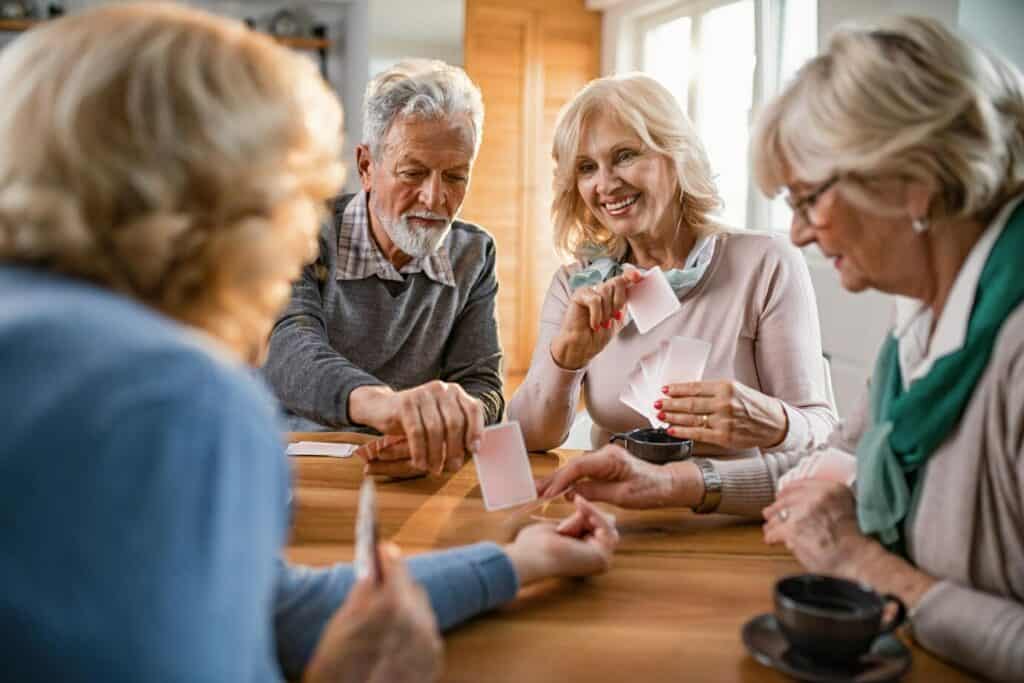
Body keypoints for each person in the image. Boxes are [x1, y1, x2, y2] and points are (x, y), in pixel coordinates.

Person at [0, 6, 618, 682]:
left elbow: (269, 605)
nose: (297, 233)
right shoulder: (180, 398)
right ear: (206, 197)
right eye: (288, 195)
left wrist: (514, 562)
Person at [540, 16, 1024, 681]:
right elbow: (831, 465)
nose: (796, 232)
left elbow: (820, 450)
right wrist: (673, 482)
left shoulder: (1009, 350)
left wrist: (867, 565)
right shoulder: (914, 323)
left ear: (911, 180)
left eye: (809, 197)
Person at [507, 73, 837, 457]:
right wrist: (567, 360)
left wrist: (772, 420)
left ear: (676, 153)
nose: (605, 184)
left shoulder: (765, 263)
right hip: (612, 507)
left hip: (733, 509)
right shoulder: (576, 285)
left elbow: (820, 432)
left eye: (625, 156)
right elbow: (528, 439)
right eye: (586, 167)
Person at [264, 59, 502, 477]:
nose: (434, 198)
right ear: (366, 167)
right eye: (413, 173)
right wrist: (387, 406)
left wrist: (446, 427)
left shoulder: (474, 254)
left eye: (455, 176)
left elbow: (483, 386)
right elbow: (289, 346)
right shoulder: (302, 229)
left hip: (408, 467)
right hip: (295, 458)